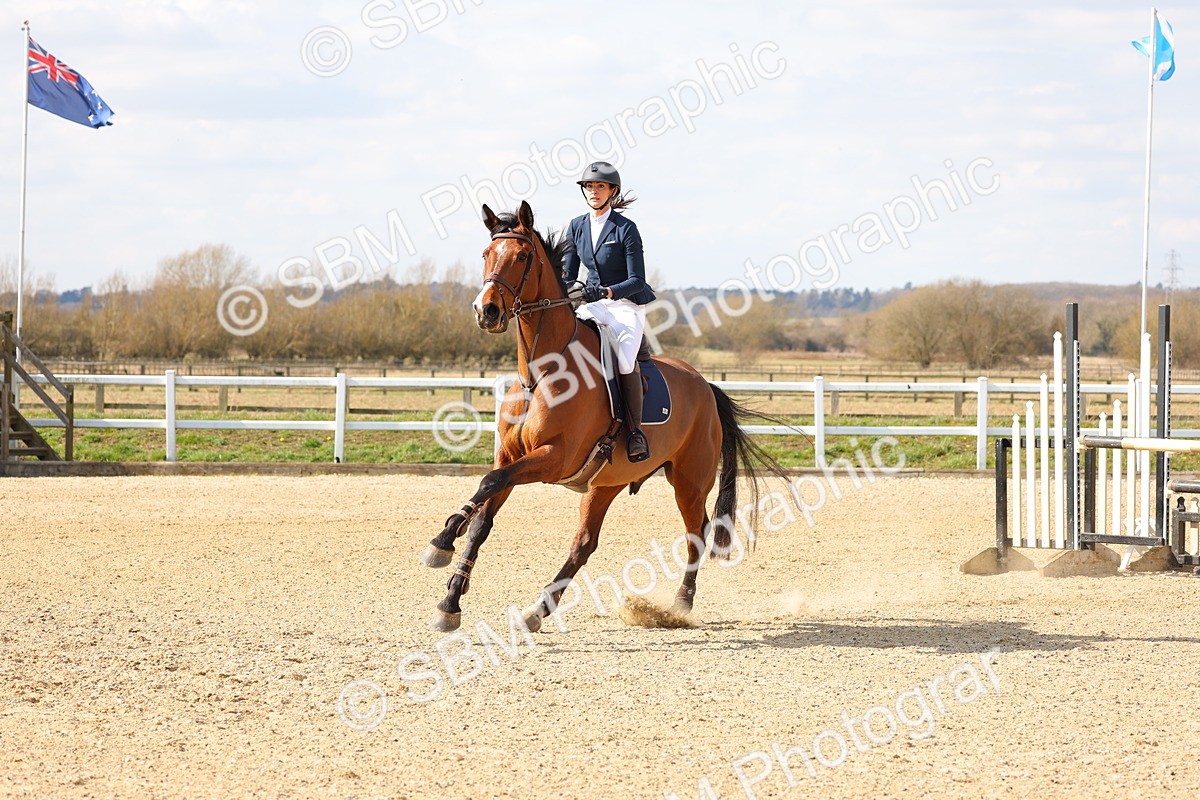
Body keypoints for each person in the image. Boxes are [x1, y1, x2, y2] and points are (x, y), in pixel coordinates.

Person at [560, 161, 656, 463]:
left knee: (625, 361)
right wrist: (565, 292)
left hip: (624, 305)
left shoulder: (626, 229)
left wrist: (607, 291)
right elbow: (568, 273)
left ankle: (636, 431)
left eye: (600, 186)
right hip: (592, 305)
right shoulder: (576, 225)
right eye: (589, 186)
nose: (593, 191)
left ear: (612, 191)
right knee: (570, 344)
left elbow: (636, 279)